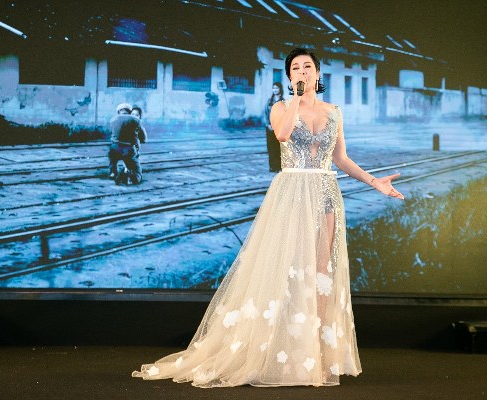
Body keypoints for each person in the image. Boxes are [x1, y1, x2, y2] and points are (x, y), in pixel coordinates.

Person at [132, 47, 403, 388]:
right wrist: (296, 100)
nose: (302, 71)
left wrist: (375, 182)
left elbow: (341, 158)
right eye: (295, 68)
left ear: (318, 73)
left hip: (325, 193)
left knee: (322, 273)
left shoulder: (334, 111)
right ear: (289, 77)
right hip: (291, 192)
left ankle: (317, 357)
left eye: (308, 66)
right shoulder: (280, 108)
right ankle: (277, 351)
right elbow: (283, 135)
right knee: (285, 268)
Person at [108, 103, 146, 185]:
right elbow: (143, 137)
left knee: (112, 160)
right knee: (135, 167)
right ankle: (133, 178)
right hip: (129, 149)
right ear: (129, 111)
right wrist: (142, 140)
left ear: (119, 111)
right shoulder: (136, 120)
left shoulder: (113, 120)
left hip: (115, 147)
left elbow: (110, 133)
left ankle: (113, 172)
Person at [264, 82, 284, 172]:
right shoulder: (269, 101)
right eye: (273, 88)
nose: (275, 90)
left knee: (277, 147)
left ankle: (278, 166)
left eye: (276, 88)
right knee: (270, 147)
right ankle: (272, 166)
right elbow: (265, 113)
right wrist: (268, 124)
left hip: (278, 128)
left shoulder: (283, 101)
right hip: (269, 128)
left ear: (280, 89)